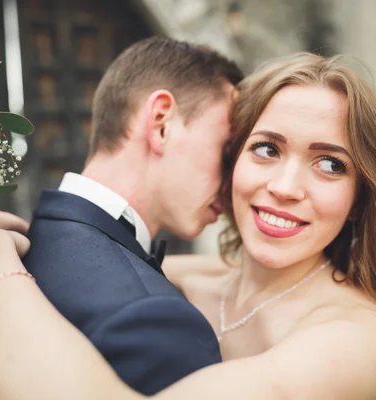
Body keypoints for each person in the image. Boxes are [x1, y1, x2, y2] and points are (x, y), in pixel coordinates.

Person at [0, 52, 376, 400]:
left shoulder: (355, 341)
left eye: (331, 164)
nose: (287, 186)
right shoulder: (196, 278)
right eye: (267, 148)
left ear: (360, 200)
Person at [19, 36, 242, 395]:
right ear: (161, 123)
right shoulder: (155, 321)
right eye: (227, 152)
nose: (235, 187)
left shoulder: (39, 235)